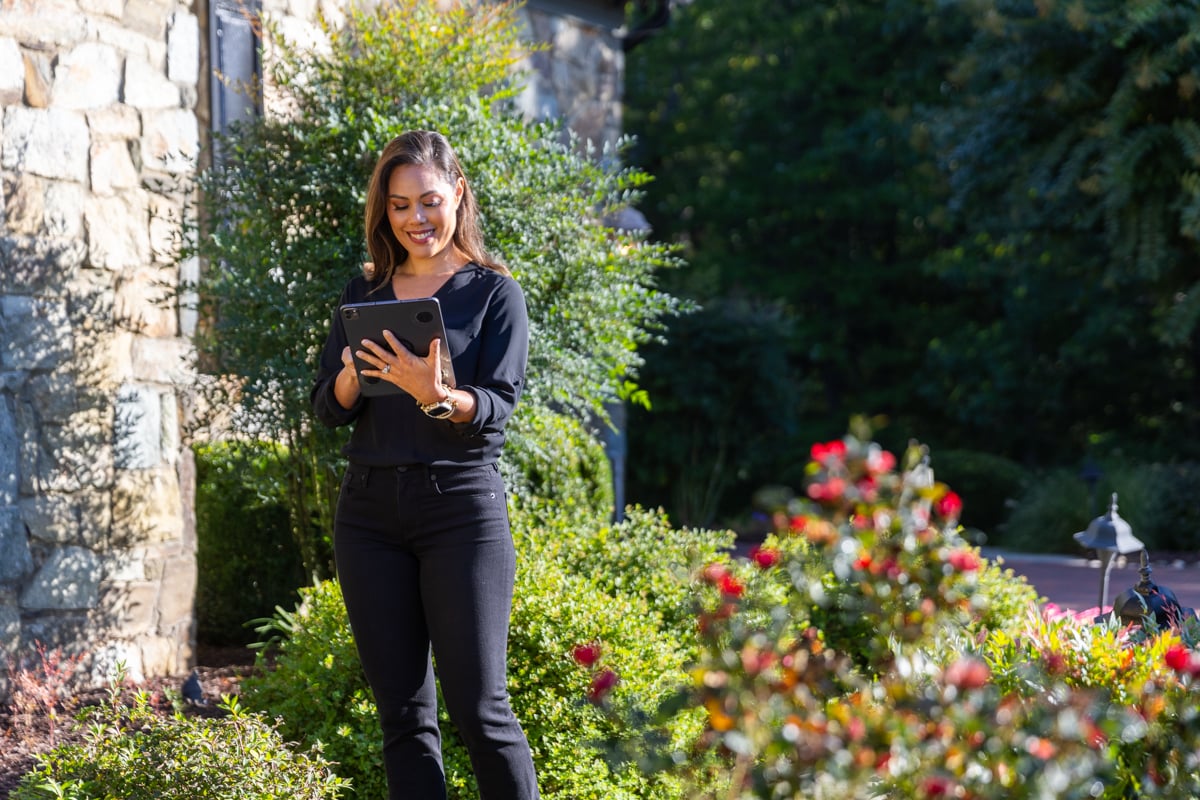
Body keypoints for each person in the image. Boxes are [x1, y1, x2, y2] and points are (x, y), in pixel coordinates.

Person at [311, 130, 539, 800]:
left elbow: (497, 405)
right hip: (368, 515)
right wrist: (352, 376)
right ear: (384, 210)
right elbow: (326, 408)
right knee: (404, 719)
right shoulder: (364, 292)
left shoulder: (495, 294)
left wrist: (435, 395)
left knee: (482, 711)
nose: (416, 218)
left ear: (457, 194)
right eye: (400, 205)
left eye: (430, 201)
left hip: (459, 510)